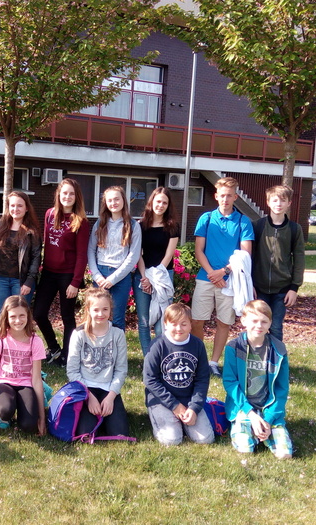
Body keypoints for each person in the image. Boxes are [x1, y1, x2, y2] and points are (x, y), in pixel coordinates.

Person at [191, 177, 254, 377]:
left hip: (229, 280)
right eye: (222, 195)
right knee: (197, 320)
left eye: (229, 196)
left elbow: (245, 254)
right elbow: (199, 250)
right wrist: (212, 273)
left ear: (235, 197)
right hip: (205, 277)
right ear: (216, 196)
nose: (225, 199)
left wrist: (224, 272)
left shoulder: (243, 221)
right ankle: (199, 360)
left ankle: (213, 362)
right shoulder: (206, 218)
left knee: (224, 322)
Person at [222, 300, 292, 459]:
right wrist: (252, 415)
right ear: (243, 321)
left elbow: (281, 389)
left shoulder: (278, 350)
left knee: (284, 454)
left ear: (270, 323)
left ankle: (264, 429)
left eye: (264, 321)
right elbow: (230, 382)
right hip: (243, 407)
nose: (259, 325)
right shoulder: (234, 347)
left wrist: (268, 420)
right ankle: (249, 428)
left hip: (268, 407)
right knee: (245, 450)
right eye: (254, 321)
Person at [33, 179, 90, 366]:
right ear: (58, 194)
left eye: (71, 193)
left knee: (67, 316)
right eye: (64, 193)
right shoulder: (50, 214)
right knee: (39, 313)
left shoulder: (80, 221)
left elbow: (82, 254)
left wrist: (75, 282)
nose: (67, 196)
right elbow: (47, 243)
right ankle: (54, 348)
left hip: (68, 275)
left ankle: (67, 355)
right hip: (49, 273)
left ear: (77, 197)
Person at [143, 303, 214, 446]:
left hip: (188, 398)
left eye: (184, 324)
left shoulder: (198, 345)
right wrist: (175, 406)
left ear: (190, 325)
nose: (179, 328)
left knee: (205, 439)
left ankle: (184, 422)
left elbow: (202, 379)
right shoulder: (157, 345)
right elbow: (150, 379)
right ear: (165, 324)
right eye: (174, 324)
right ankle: (164, 418)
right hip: (162, 400)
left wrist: (194, 408)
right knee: (171, 440)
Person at [0, 296, 46, 435]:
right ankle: (5, 417)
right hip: (5, 382)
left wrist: (42, 418)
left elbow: (37, 380)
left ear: (28, 315)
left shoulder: (35, 341)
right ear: (6, 318)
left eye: (22, 316)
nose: (18, 320)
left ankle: (23, 411)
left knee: (28, 425)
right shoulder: (0, 339)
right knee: (5, 410)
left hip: (26, 384)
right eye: (13, 316)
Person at [66, 288, 129, 438]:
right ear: (88, 310)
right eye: (96, 310)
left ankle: (108, 415)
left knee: (119, 434)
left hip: (108, 388)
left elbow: (121, 370)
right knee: (85, 433)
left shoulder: (118, 333)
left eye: (105, 309)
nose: (101, 314)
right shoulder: (79, 334)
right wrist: (89, 397)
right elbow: (72, 371)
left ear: (110, 309)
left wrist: (111, 397)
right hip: (86, 389)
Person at [252, 185, 305, 342]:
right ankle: (258, 354)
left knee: (275, 326)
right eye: (275, 200)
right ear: (268, 202)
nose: (279, 204)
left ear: (289, 203)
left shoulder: (294, 229)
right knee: (258, 325)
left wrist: (294, 288)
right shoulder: (258, 226)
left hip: (282, 289)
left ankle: (275, 356)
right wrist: (250, 283)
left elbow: (299, 259)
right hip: (259, 288)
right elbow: (249, 257)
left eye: (283, 200)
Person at [133, 187, 180, 355]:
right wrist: (145, 277)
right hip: (143, 275)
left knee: (162, 323)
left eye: (164, 203)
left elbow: (169, 254)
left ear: (168, 206)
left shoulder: (172, 226)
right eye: (158, 201)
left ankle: (161, 357)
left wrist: (155, 277)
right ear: (151, 202)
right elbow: (137, 254)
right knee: (144, 321)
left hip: (163, 275)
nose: (160, 205)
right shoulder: (140, 225)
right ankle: (148, 359)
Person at [87, 186, 141, 331]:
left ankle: (117, 346)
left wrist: (113, 278)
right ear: (105, 203)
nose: (113, 203)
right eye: (109, 200)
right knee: (97, 317)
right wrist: (96, 275)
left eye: (117, 199)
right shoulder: (100, 223)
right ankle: (96, 344)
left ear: (124, 200)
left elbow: (133, 256)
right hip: (100, 274)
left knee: (117, 318)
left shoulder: (133, 225)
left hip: (121, 277)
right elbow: (91, 249)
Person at [0, 191, 42, 324]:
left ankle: (19, 339)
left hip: (21, 281)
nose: (15, 209)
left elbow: (36, 258)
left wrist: (29, 281)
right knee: (0, 319)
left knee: (18, 320)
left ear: (26, 208)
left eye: (19, 206)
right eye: (12, 205)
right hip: (1, 279)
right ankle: (3, 339)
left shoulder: (31, 231)